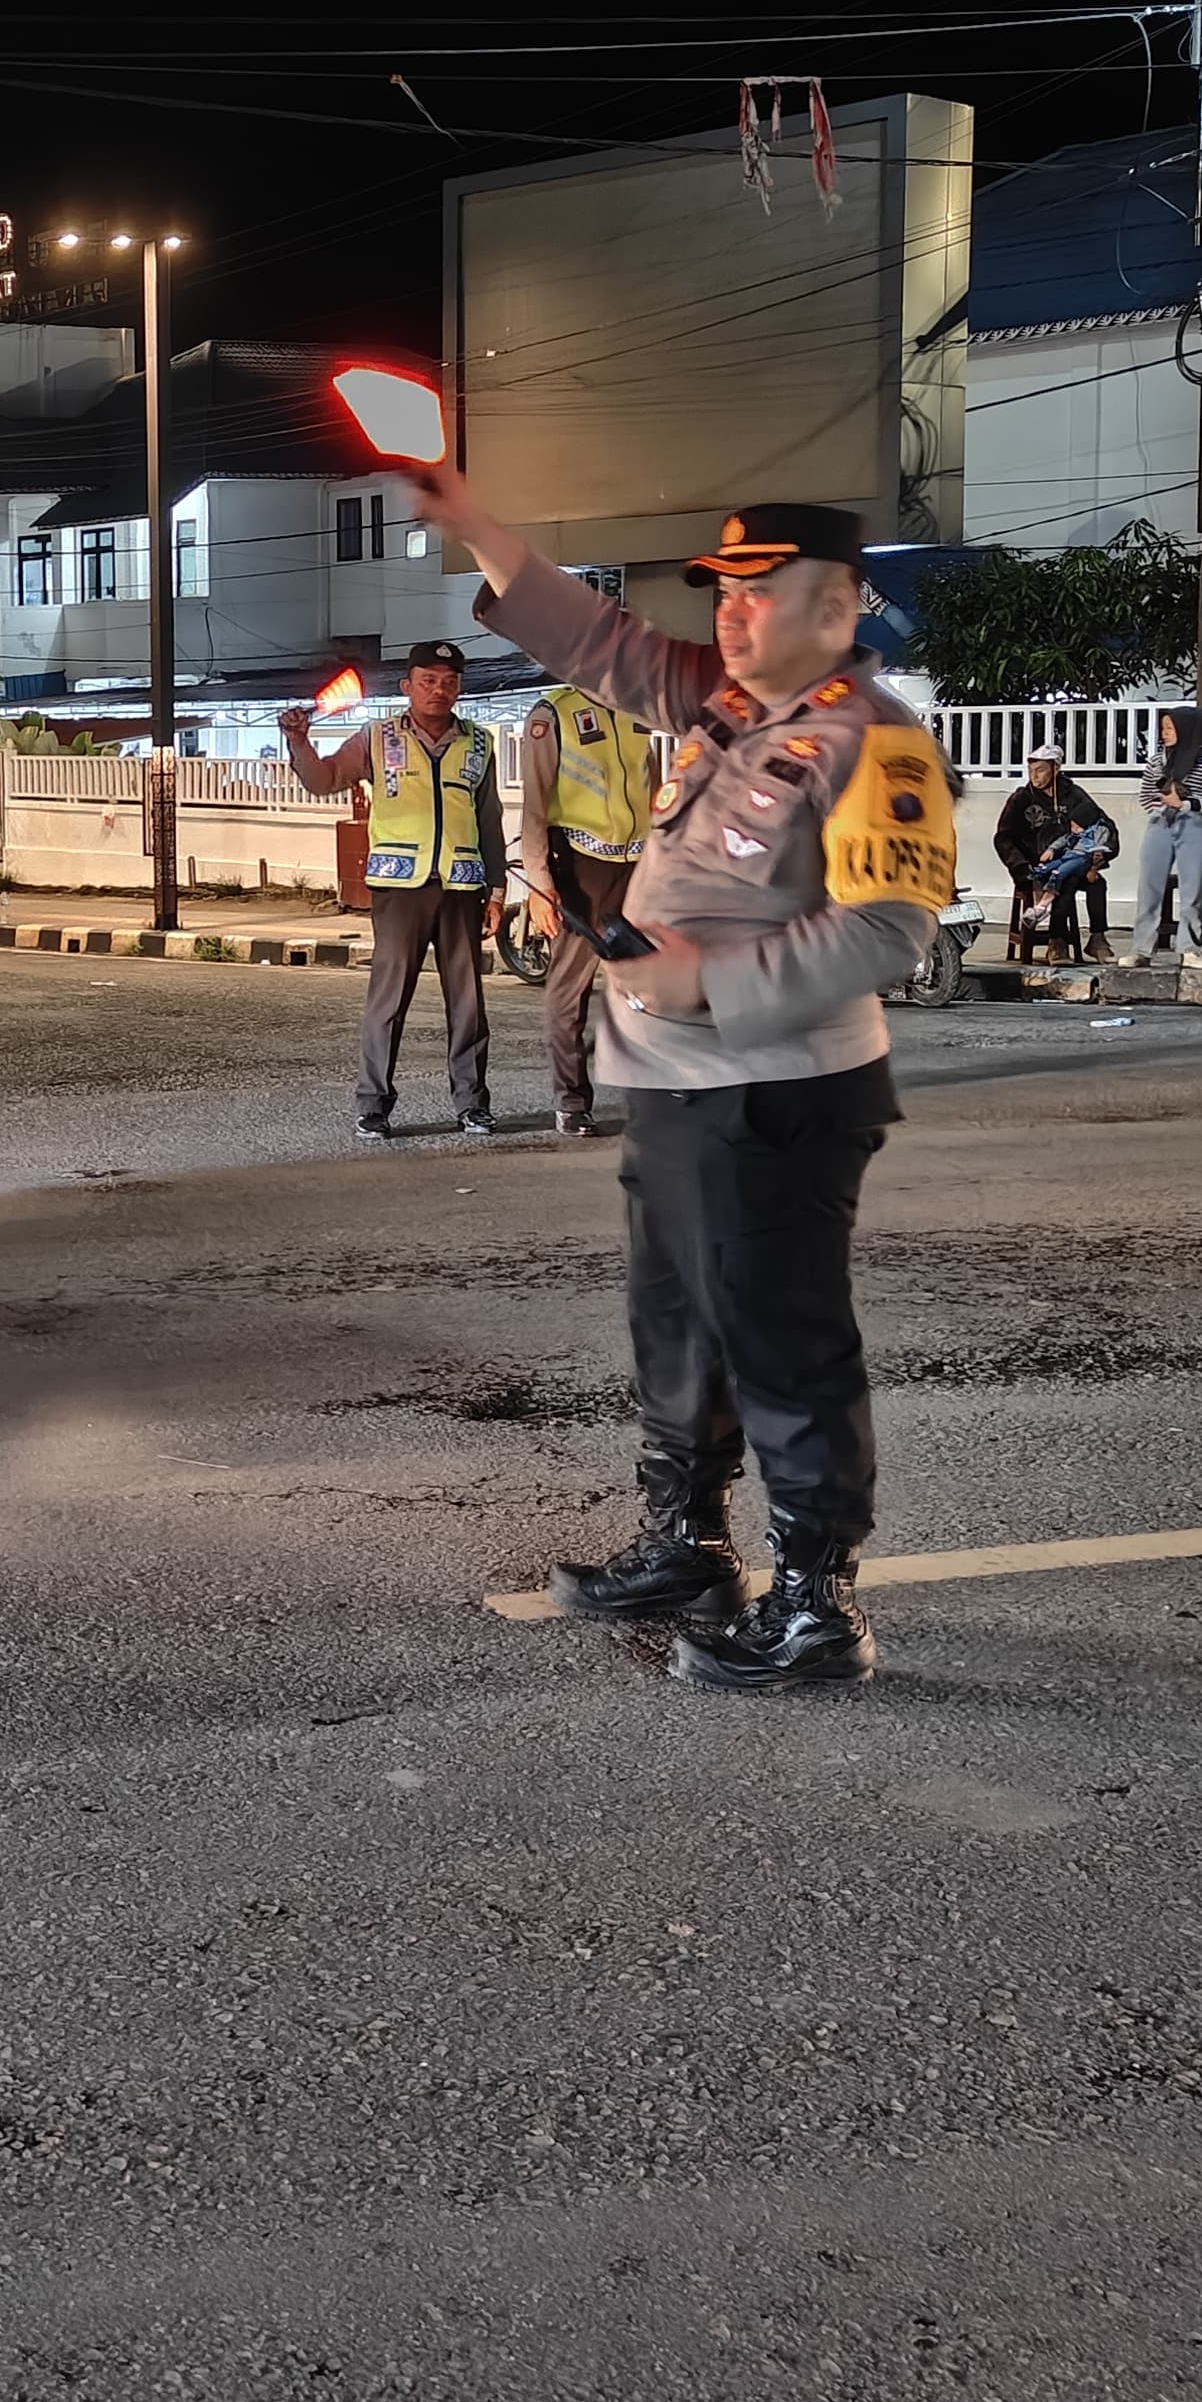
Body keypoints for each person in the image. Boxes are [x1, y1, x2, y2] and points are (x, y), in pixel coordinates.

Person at [412, 481, 958, 1692]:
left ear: (838, 604)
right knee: (677, 1327)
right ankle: (689, 1544)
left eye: (762, 592)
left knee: (782, 1342)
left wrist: (702, 979)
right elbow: (593, 640)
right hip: (672, 1086)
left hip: (776, 1092)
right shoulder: (725, 704)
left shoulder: (876, 741)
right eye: (724, 591)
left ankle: (818, 1605)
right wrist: (475, 514)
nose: (732, 613)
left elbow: (886, 933)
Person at [283, 637, 505, 1139]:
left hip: (462, 887)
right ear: (408, 686)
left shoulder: (478, 743)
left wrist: (497, 891)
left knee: (468, 1003)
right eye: (428, 681)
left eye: (449, 683)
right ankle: (373, 1106)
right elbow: (325, 779)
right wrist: (300, 742)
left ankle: (472, 1103)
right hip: (400, 889)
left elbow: (489, 820)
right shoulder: (377, 738)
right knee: (388, 1002)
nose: (439, 691)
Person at [518, 672, 662, 1138]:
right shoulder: (552, 715)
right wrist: (540, 885)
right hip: (580, 866)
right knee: (568, 994)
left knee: (651, 987)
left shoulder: (638, 711)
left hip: (637, 865)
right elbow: (535, 807)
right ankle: (572, 1101)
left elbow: (655, 794)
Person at [991, 743, 1115, 967]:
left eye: (1040, 770)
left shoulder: (1075, 795)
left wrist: (1100, 856)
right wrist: (1019, 867)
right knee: (1063, 882)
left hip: (1075, 861)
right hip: (1036, 866)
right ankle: (1057, 941)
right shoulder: (1021, 798)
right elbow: (1003, 837)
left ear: (1055, 769)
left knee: (1097, 884)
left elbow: (1102, 824)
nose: (1034, 776)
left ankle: (1098, 938)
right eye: (1031, 771)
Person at [1132, 710, 1202, 963]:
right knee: (1149, 888)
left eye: (1170, 729)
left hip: (1193, 825)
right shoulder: (1156, 762)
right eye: (1163, 729)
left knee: (1192, 889)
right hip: (1160, 824)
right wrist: (1164, 805)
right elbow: (1145, 797)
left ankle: (1189, 948)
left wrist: (1185, 804)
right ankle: (1142, 949)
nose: (1165, 734)